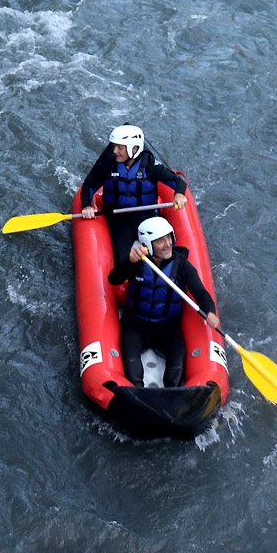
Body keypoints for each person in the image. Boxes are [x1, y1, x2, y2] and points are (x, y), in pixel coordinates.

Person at [108, 216, 219, 388]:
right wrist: (128, 262)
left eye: (169, 238)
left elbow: (201, 293)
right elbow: (114, 279)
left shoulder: (181, 265)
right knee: (130, 359)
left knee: (177, 361)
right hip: (135, 323)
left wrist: (210, 311)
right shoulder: (137, 261)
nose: (167, 244)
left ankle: (172, 395)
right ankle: (137, 392)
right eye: (160, 241)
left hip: (167, 327)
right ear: (147, 244)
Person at [79, 124, 187, 268]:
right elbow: (89, 185)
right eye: (114, 147)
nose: (115, 151)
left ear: (134, 148)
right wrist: (86, 206)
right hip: (119, 220)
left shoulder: (150, 164)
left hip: (147, 217)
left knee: (162, 255)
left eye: (120, 148)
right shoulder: (108, 164)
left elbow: (177, 181)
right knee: (123, 259)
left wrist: (179, 194)